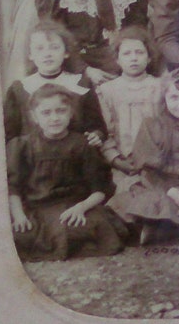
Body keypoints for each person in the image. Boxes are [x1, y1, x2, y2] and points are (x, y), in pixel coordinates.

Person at [7, 84, 125, 261]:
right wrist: (19, 216)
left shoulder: (82, 145)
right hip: (37, 208)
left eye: (61, 111)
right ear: (34, 117)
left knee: (89, 227)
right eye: (46, 113)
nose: (54, 118)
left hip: (74, 206)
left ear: (70, 113)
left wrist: (81, 207)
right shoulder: (23, 146)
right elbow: (13, 187)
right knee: (18, 235)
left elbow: (99, 189)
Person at [108, 66, 179, 242]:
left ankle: (165, 227)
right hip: (162, 185)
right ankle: (172, 226)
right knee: (142, 201)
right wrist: (175, 194)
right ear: (164, 98)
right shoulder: (152, 123)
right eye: (174, 97)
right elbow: (147, 169)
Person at [1, 24, 108, 142]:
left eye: (54, 47)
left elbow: (97, 127)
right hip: (34, 157)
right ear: (30, 55)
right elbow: (9, 136)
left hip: (74, 155)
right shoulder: (19, 89)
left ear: (66, 53)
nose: (47, 54)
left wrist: (96, 135)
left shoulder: (81, 84)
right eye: (40, 48)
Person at [94, 27, 164, 193]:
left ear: (149, 58)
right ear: (117, 60)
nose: (134, 58)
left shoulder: (161, 87)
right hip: (122, 166)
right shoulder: (107, 91)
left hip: (157, 164)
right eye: (126, 53)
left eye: (139, 52)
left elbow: (167, 127)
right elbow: (105, 131)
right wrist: (116, 160)